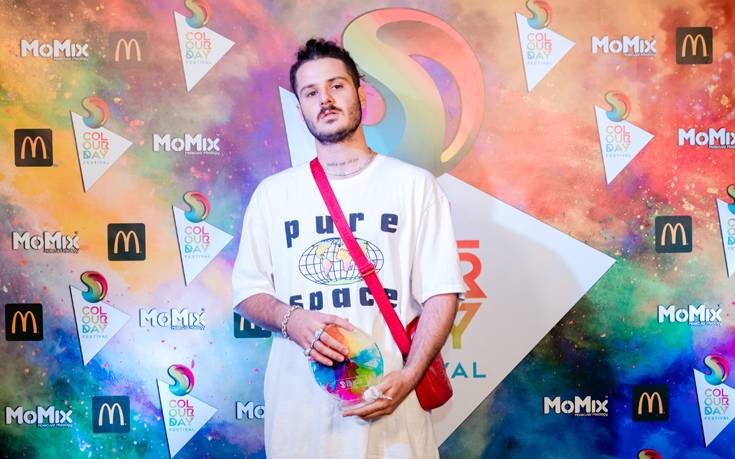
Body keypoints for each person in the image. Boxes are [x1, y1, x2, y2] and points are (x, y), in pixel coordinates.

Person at [232, 38, 466, 458]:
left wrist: (411, 376)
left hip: (392, 412)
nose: (325, 100)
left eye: (336, 86)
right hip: (300, 419)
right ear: (300, 108)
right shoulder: (274, 195)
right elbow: (248, 292)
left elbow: (441, 292)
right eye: (310, 92)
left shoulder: (414, 186)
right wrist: (293, 320)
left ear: (361, 93)